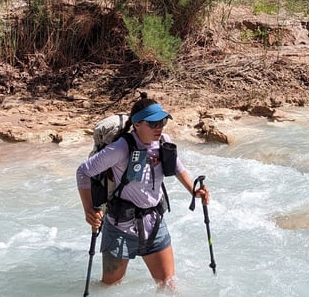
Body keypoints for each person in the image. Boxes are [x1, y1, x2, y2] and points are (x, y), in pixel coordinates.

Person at [76, 94, 210, 289]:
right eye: (153, 123)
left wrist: (193, 190)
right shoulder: (121, 148)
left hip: (155, 225)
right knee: (109, 287)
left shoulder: (164, 141)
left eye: (162, 121)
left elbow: (178, 167)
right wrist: (89, 209)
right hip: (120, 228)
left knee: (169, 286)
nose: (160, 127)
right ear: (137, 124)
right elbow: (84, 171)